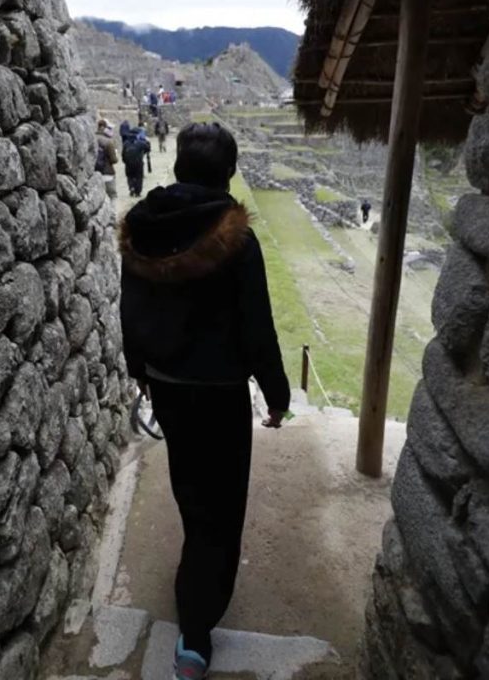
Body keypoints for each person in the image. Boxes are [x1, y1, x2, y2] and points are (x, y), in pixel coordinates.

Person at [119, 123, 290, 680]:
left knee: (191, 487)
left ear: (178, 169)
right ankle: (196, 628)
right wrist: (277, 392)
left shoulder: (142, 230)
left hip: (168, 384)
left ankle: (192, 575)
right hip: (218, 391)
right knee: (223, 500)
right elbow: (256, 325)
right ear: (228, 173)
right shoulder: (235, 238)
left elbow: (131, 310)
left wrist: (139, 371)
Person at [120, 121, 151, 198]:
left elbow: (123, 154)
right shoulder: (140, 143)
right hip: (138, 163)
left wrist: (125, 162)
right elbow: (148, 148)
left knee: (130, 176)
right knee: (139, 177)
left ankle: (131, 187)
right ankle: (137, 191)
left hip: (128, 163)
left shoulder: (126, 143)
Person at [95, 118, 119, 199]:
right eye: (109, 128)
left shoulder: (92, 139)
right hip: (107, 173)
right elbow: (114, 160)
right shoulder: (108, 142)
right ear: (103, 128)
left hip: (94, 174)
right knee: (112, 196)